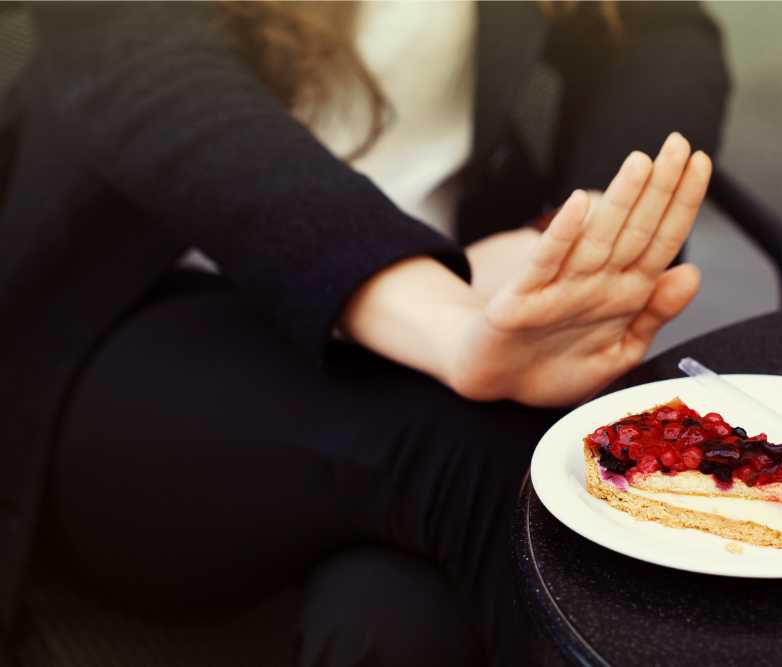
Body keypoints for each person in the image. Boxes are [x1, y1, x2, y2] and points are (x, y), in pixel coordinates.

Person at [0, 1, 729, 665]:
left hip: (458, 301)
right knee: (513, 469)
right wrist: (447, 321)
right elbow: (154, 78)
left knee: (394, 625)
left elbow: (662, 31)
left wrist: (579, 230)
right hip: (135, 341)